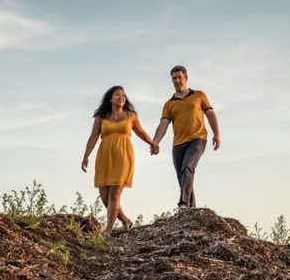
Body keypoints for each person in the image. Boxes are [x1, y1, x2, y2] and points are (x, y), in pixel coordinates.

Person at [81, 85, 154, 233]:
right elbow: (94, 136)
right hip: (104, 156)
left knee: (115, 195)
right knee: (105, 197)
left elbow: (141, 132)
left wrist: (152, 143)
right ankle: (126, 220)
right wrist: (86, 155)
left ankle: (107, 231)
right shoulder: (101, 116)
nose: (121, 97)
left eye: (123, 96)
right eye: (117, 95)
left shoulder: (130, 116)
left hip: (123, 156)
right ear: (110, 99)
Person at [150, 65, 220, 208]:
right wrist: (155, 142)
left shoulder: (199, 95)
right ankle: (191, 212)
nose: (177, 80)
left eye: (179, 77)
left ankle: (183, 204)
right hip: (178, 145)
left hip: (197, 139)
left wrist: (217, 134)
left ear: (186, 78)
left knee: (188, 167)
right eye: (174, 78)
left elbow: (210, 114)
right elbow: (163, 123)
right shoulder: (169, 104)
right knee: (183, 178)